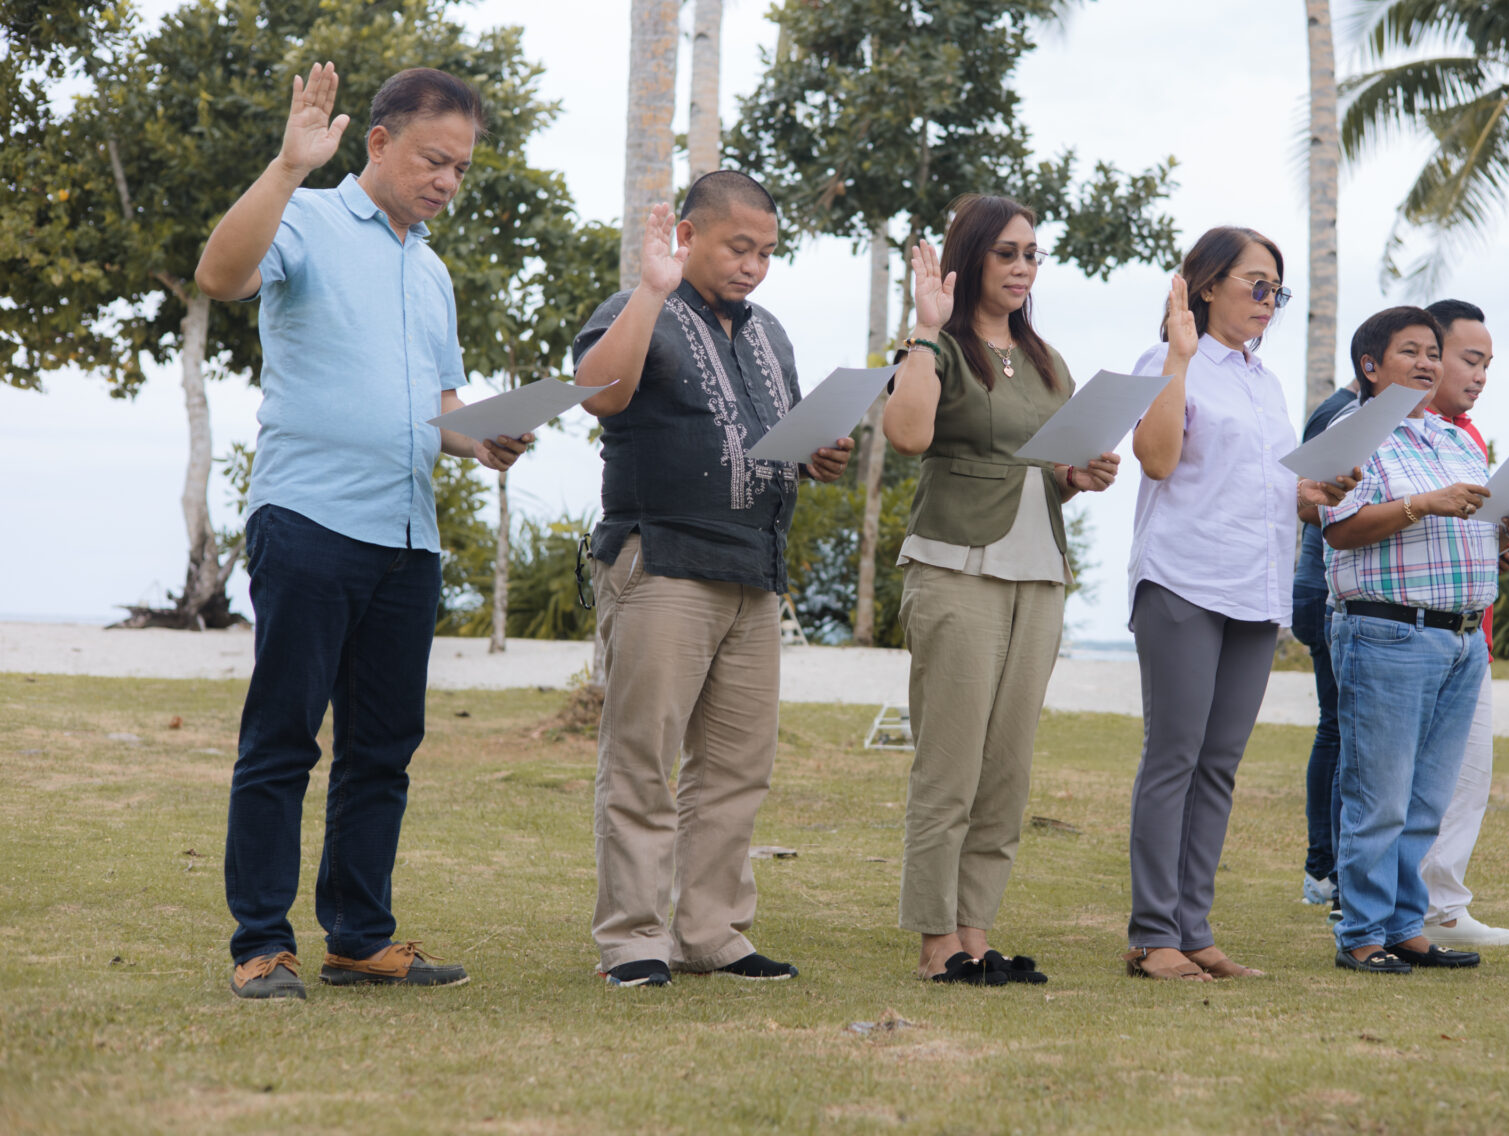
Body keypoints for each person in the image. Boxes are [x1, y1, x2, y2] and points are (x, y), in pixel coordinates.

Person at [196, 64, 533, 1000]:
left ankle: (358, 936)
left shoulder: (430, 272)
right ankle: (261, 944)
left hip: (407, 538)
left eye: (462, 168)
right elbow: (220, 275)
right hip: (308, 519)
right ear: (378, 143)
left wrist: (483, 439)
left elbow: (441, 409)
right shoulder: (303, 217)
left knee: (383, 751)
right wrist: (286, 168)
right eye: (435, 159)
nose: (448, 182)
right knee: (283, 741)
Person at [572, 171, 852, 989]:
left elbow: (775, 435)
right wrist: (652, 294)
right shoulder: (636, 310)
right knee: (642, 758)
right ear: (687, 237)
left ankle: (711, 930)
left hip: (753, 572)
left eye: (766, 251)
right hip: (659, 560)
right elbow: (601, 392)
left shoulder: (772, 334)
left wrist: (818, 455)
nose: (754, 266)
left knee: (736, 767)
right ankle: (632, 938)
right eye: (739, 247)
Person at [883, 194, 1121, 986]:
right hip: (956, 569)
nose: (1022, 268)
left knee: (1007, 769)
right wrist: (924, 326)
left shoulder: (1048, 359)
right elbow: (909, 434)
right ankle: (933, 942)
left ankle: (975, 935)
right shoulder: (939, 352)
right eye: (1008, 253)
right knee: (949, 766)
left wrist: (1076, 475)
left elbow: (1046, 464)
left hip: (1040, 573)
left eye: (1032, 255)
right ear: (973, 257)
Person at [1303, 306, 1509, 974]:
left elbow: (1477, 538)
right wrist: (1425, 504)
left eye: (1434, 351)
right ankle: (1363, 937)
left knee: (1426, 800)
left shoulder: (1457, 440)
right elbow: (1339, 529)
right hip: (1387, 632)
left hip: (1460, 639)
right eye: (1411, 351)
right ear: (1370, 366)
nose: (1429, 362)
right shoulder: (1351, 436)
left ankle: (1407, 926)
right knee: (1378, 795)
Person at [1121, 227, 1319, 981]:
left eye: (1278, 288)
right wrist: (1176, 356)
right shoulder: (1171, 362)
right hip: (1183, 579)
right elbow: (1159, 458)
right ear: (1207, 286)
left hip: (1255, 586)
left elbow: (1257, 484)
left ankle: (1194, 928)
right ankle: (1151, 934)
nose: (1270, 300)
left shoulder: (1264, 381)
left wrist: (1310, 491)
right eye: (1257, 283)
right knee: (1173, 756)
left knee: (1220, 764)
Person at [1418, 299, 1509, 949]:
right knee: (1409, 783)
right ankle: (1400, 906)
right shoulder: (1395, 431)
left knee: (1468, 777)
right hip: (1409, 629)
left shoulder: (1466, 434)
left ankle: (1444, 906)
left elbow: (1468, 540)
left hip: (1473, 630)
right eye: (1470, 359)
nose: (1481, 374)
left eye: (1488, 363)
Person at [1292, 378, 1358, 920]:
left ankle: (1328, 867)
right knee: (1337, 727)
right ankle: (1325, 868)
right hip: (1323, 588)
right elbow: (1310, 503)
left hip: (1328, 588)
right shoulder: (1343, 415)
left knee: (1337, 726)